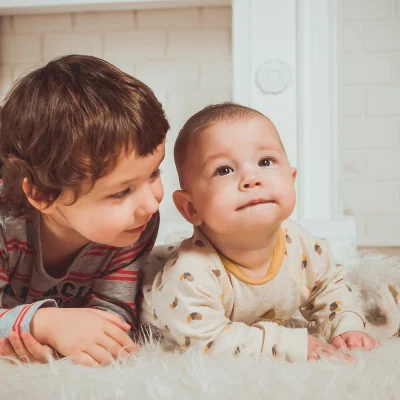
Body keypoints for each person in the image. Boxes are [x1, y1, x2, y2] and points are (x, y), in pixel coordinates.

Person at [141, 103, 379, 362]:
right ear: (190, 207)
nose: (251, 178)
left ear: (291, 178)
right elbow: (208, 342)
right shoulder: (189, 275)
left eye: (265, 161)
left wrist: (346, 325)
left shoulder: (300, 244)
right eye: (224, 170)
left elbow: (329, 286)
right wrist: (290, 344)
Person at [0, 55, 169, 366]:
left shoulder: (133, 226)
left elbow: (113, 316)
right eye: (122, 191)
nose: (151, 203)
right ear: (42, 194)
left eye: (155, 174)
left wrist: (72, 340)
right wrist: (45, 324)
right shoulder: (5, 225)